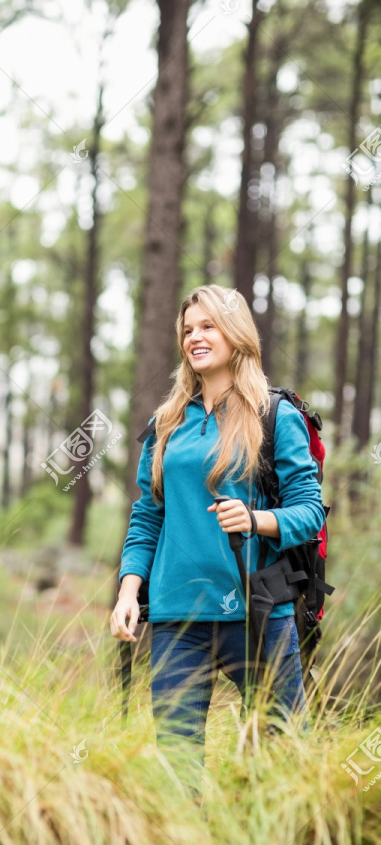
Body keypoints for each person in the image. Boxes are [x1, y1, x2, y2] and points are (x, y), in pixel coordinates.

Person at [110, 284, 325, 776]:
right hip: (176, 617)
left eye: (208, 326)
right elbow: (148, 515)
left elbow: (309, 511)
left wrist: (256, 520)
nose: (195, 337)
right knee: (177, 765)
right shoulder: (165, 423)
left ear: (235, 333)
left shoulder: (275, 415)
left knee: (283, 755)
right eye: (188, 330)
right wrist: (128, 592)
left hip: (257, 612)